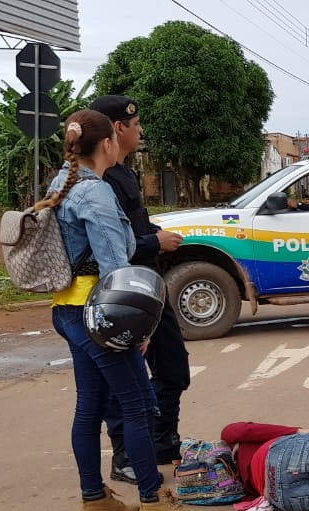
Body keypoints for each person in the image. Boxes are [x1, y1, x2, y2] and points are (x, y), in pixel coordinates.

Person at [45, 110, 201, 511]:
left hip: (68, 308)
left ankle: (94, 498)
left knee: (90, 406)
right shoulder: (94, 191)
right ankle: (154, 501)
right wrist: (133, 327)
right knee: (139, 405)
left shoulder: (63, 181)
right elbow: (116, 266)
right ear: (108, 144)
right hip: (100, 313)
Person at [88, 95, 190, 483]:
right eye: (135, 124)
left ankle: (162, 441)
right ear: (118, 129)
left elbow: (130, 229)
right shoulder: (102, 181)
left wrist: (151, 233)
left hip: (147, 286)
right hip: (123, 292)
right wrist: (153, 242)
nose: (139, 130)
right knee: (123, 381)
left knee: (173, 367)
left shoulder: (123, 173)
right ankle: (126, 454)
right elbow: (110, 245)